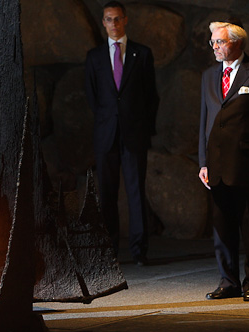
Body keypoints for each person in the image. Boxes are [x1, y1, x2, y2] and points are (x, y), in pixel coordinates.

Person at [198, 19, 249, 302]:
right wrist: (202, 162)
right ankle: (228, 280)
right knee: (222, 227)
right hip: (217, 165)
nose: (215, 47)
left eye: (220, 42)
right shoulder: (209, 76)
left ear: (238, 43)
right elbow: (204, 122)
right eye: (213, 42)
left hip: (248, 165)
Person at [85, 1, 159, 266]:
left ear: (125, 20)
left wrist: (143, 128)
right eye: (108, 19)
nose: (113, 24)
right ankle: (109, 250)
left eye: (117, 19)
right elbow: (93, 97)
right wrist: (107, 120)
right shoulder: (94, 57)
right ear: (103, 22)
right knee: (107, 192)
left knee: (136, 191)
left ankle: (139, 251)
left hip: (134, 134)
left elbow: (151, 96)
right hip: (106, 134)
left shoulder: (143, 54)